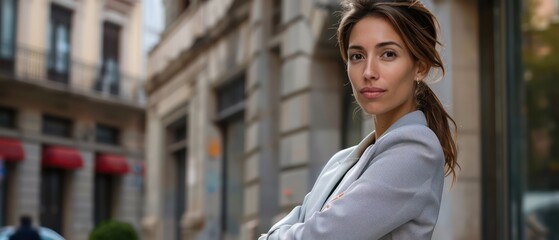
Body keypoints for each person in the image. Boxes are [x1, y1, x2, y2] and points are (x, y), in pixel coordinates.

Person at [259, 0, 458, 239]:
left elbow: (319, 235)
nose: (368, 72)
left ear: (420, 68)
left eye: (388, 54)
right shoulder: (340, 161)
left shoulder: (417, 150)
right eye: (357, 56)